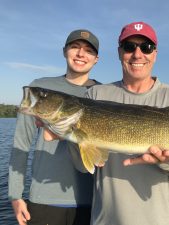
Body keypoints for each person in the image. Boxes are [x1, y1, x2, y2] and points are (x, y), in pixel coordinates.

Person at [59, 21, 169, 225]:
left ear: (154, 54)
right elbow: (83, 166)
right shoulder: (95, 95)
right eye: (129, 47)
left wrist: (167, 162)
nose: (137, 54)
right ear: (120, 52)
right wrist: (70, 132)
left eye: (146, 47)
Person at [8, 29, 100, 225]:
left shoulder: (104, 93)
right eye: (75, 47)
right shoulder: (40, 90)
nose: (81, 54)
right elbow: (21, 145)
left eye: (88, 51)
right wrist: (15, 196)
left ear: (96, 59)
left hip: (94, 202)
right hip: (44, 200)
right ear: (64, 51)